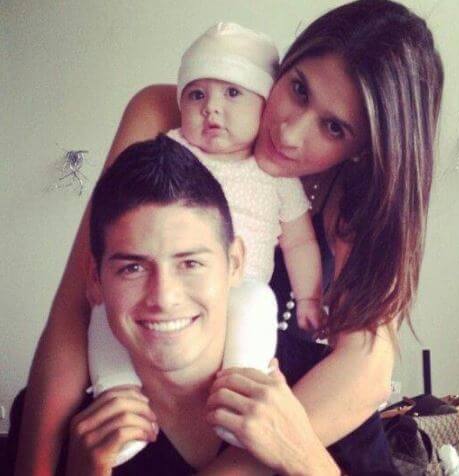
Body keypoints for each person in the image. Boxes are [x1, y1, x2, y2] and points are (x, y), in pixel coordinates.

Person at [15, 1, 444, 475]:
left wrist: (244, 463)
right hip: (154, 419)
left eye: (334, 127)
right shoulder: (179, 111)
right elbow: (77, 307)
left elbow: (366, 371)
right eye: (298, 89)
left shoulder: (358, 206)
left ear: (365, 149)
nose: (289, 131)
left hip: (282, 430)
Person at [7, 134, 344, 475]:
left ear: (235, 264)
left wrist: (306, 460)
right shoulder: (48, 418)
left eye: (190, 264)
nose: (164, 297)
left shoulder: (322, 384)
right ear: (95, 280)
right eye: (132, 268)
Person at [87, 22, 324, 462]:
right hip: (164, 304)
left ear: (264, 105)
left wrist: (309, 297)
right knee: (104, 313)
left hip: (242, 288)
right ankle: (117, 395)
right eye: (197, 95)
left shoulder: (275, 177)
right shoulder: (171, 150)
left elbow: (299, 242)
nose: (212, 109)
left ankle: (239, 391)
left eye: (233, 93)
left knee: (259, 303)